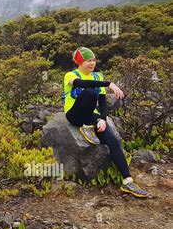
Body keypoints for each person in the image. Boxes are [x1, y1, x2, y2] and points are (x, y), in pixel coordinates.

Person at [63, 47, 148, 198]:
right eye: (88, 60)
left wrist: (102, 118)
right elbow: (81, 84)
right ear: (80, 62)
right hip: (74, 115)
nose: (92, 63)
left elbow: (102, 101)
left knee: (113, 141)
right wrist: (108, 83)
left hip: (91, 115)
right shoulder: (70, 75)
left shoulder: (97, 76)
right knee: (89, 92)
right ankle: (86, 127)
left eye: (94, 60)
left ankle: (127, 181)